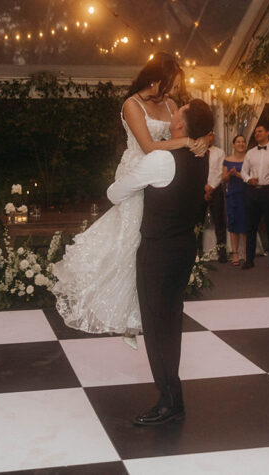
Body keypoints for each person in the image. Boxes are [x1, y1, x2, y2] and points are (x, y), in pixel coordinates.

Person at [52, 53, 207, 342]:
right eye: (170, 84)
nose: (172, 91)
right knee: (131, 241)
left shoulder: (171, 104)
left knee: (152, 241)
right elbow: (148, 146)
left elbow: (183, 133)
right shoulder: (132, 105)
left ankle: (141, 313)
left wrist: (200, 141)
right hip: (140, 169)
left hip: (163, 176)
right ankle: (130, 317)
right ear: (157, 80)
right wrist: (186, 142)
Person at [105, 99, 214, 427]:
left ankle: (170, 400)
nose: (172, 113)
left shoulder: (161, 160)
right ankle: (172, 395)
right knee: (171, 322)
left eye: (178, 112)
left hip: (158, 252)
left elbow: (113, 192)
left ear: (181, 126)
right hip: (184, 247)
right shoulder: (201, 157)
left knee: (157, 326)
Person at [241, 124, 269, 270]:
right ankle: (249, 260)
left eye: (259, 131)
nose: (256, 134)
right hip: (252, 192)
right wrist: (248, 180)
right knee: (250, 227)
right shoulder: (250, 153)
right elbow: (243, 172)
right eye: (255, 132)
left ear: (268, 133)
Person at [222, 135, 248, 266]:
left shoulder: (249, 159)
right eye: (238, 141)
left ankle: (247, 253)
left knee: (246, 222)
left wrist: (238, 175)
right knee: (233, 223)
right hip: (233, 194)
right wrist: (230, 174)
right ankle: (235, 253)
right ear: (233, 144)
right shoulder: (227, 160)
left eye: (243, 142)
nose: (241, 144)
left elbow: (251, 177)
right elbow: (224, 179)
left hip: (246, 194)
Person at [204, 132, 227, 262]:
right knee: (197, 222)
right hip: (200, 189)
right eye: (207, 135)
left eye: (212, 135)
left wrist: (211, 187)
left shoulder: (219, 152)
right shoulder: (197, 152)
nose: (210, 137)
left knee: (219, 222)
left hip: (216, 189)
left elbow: (220, 172)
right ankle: (196, 253)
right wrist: (204, 187)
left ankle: (222, 253)